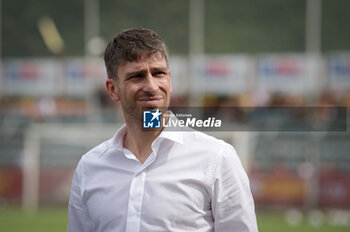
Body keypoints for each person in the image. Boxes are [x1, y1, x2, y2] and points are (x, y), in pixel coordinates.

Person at [67, 27, 258, 232]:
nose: (151, 86)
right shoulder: (89, 167)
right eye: (137, 76)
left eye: (158, 73)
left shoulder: (217, 158)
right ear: (113, 89)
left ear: (170, 79)